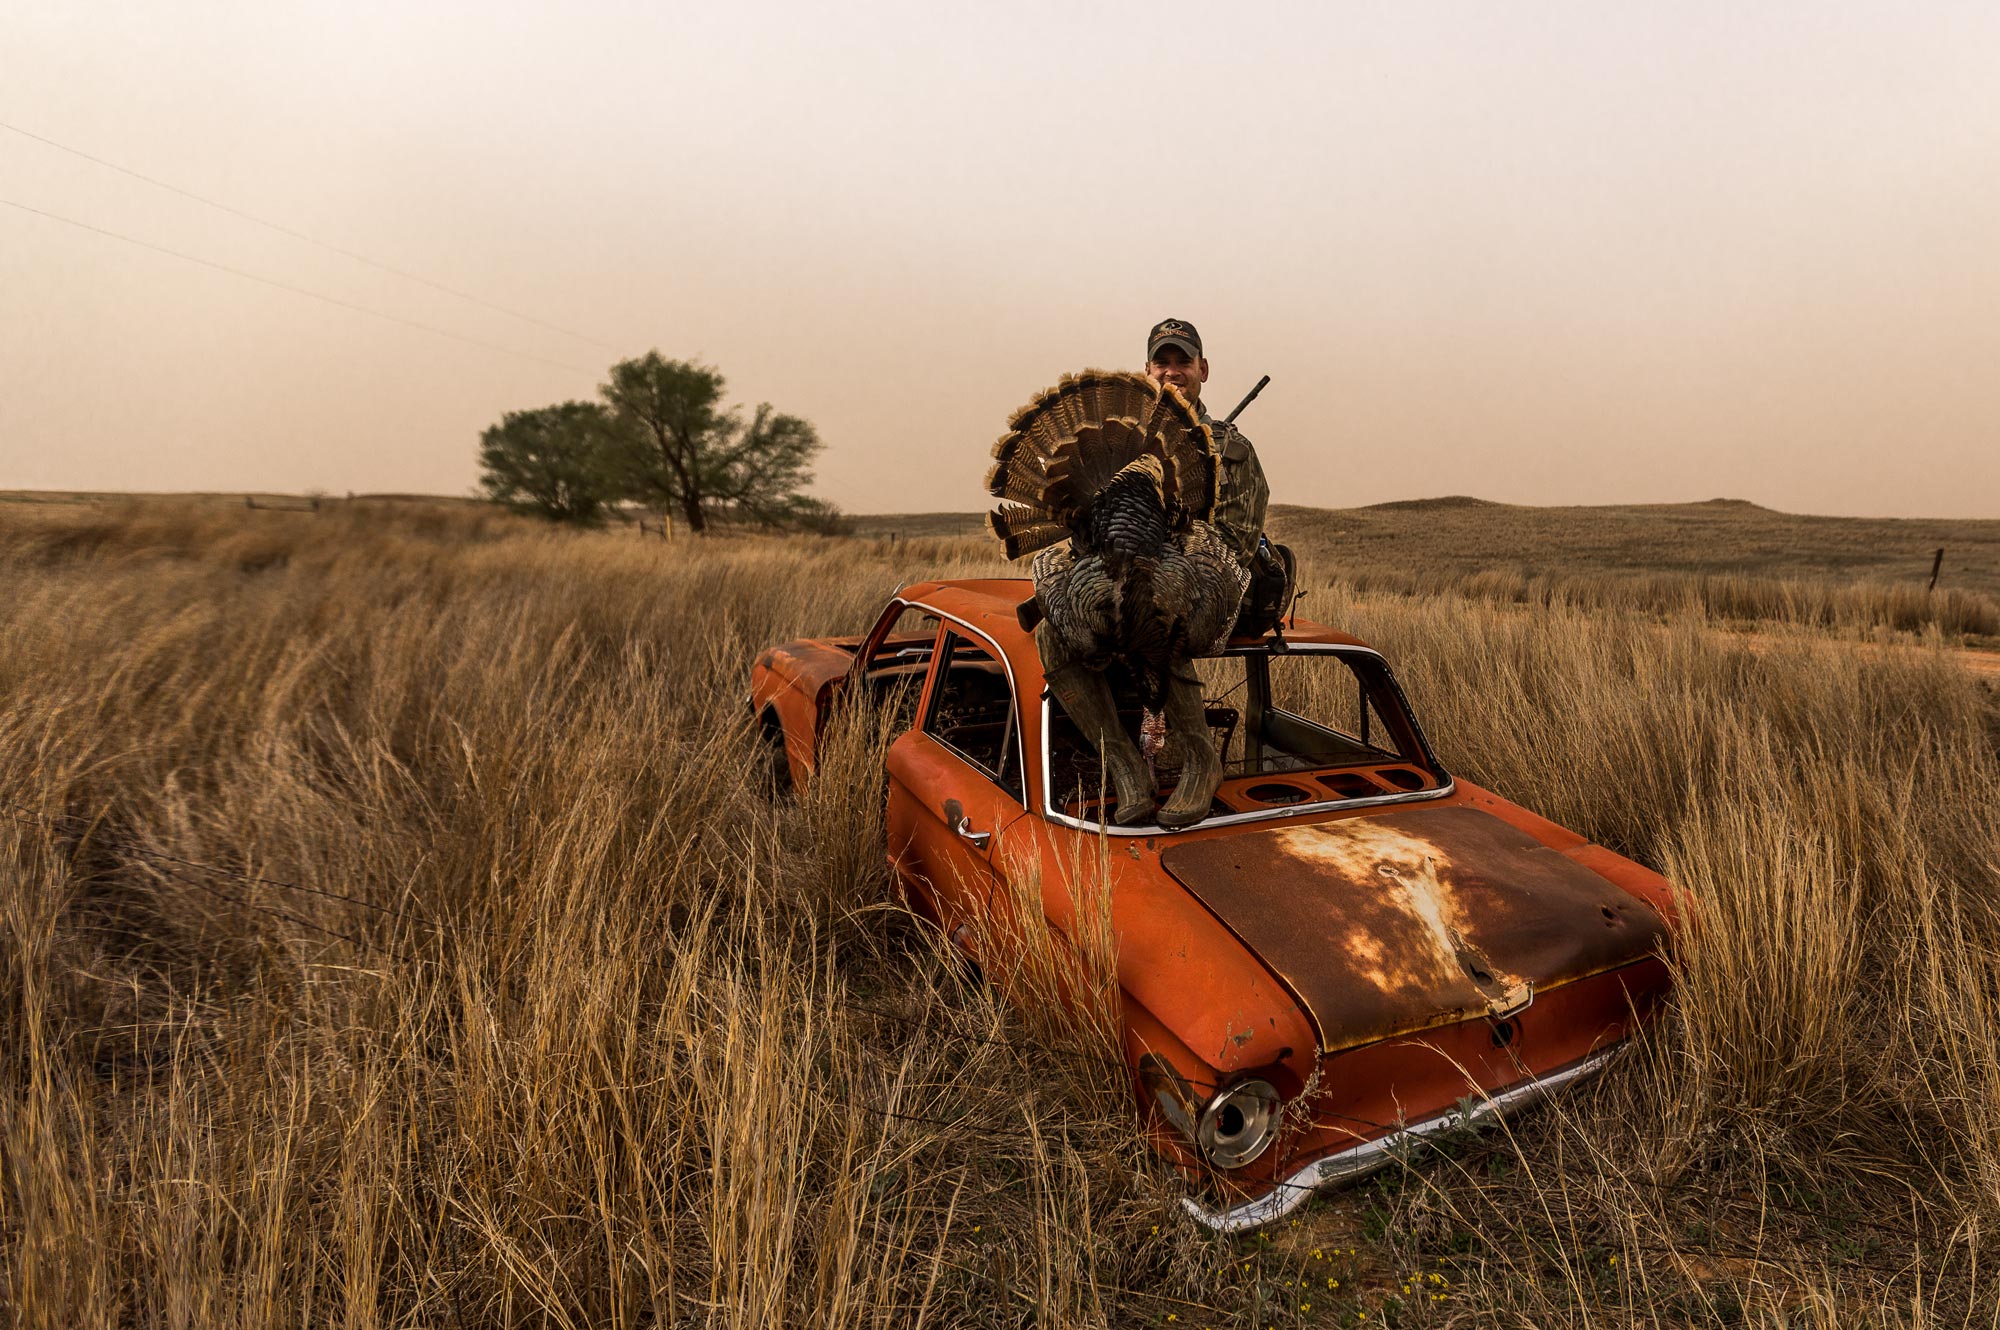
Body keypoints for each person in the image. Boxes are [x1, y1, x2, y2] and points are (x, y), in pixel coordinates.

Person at [1145, 318, 1291, 635]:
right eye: (1162, 363)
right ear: (1148, 371)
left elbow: (1234, 549)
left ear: (1203, 370)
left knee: (1151, 633)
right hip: (1130, 589)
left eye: (1184, 361)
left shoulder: (1234, 452)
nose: (1172, 372)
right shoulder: (1122, 444)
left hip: (1204, 595)